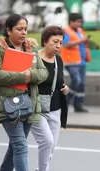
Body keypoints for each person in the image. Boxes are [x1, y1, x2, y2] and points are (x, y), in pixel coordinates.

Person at [0, 14, 49, 171]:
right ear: (8, 30)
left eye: (26, 29)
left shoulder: (32, 48)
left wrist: (31, 76)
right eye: (19, 29)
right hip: (9, 106)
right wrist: (22, 76)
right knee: (21, 145)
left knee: (15, 146)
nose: (24, 32)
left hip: (29, 105)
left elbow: (43, 73)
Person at [31, 25, 69, 171]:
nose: (58, 46)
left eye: (60, 42)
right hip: (37, 108)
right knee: (46, 142)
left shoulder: (58, 60)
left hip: (55, 109)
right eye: (55, 41)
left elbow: (59, 81)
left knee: (51, 145)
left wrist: (65, 89)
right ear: (45, 40)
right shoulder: (34, 58)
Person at [60, 13, 91, 113]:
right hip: (71, 61)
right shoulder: (66, 31)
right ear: (71, 21)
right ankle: (66, 100)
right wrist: (81, 40)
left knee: (82, 84)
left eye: (80, 22)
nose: (79, 24)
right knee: (76, 80)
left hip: (81, 61)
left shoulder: (80, 31)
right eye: (77, 22)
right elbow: (66, 44)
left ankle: (79, 104)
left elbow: (82, 43)